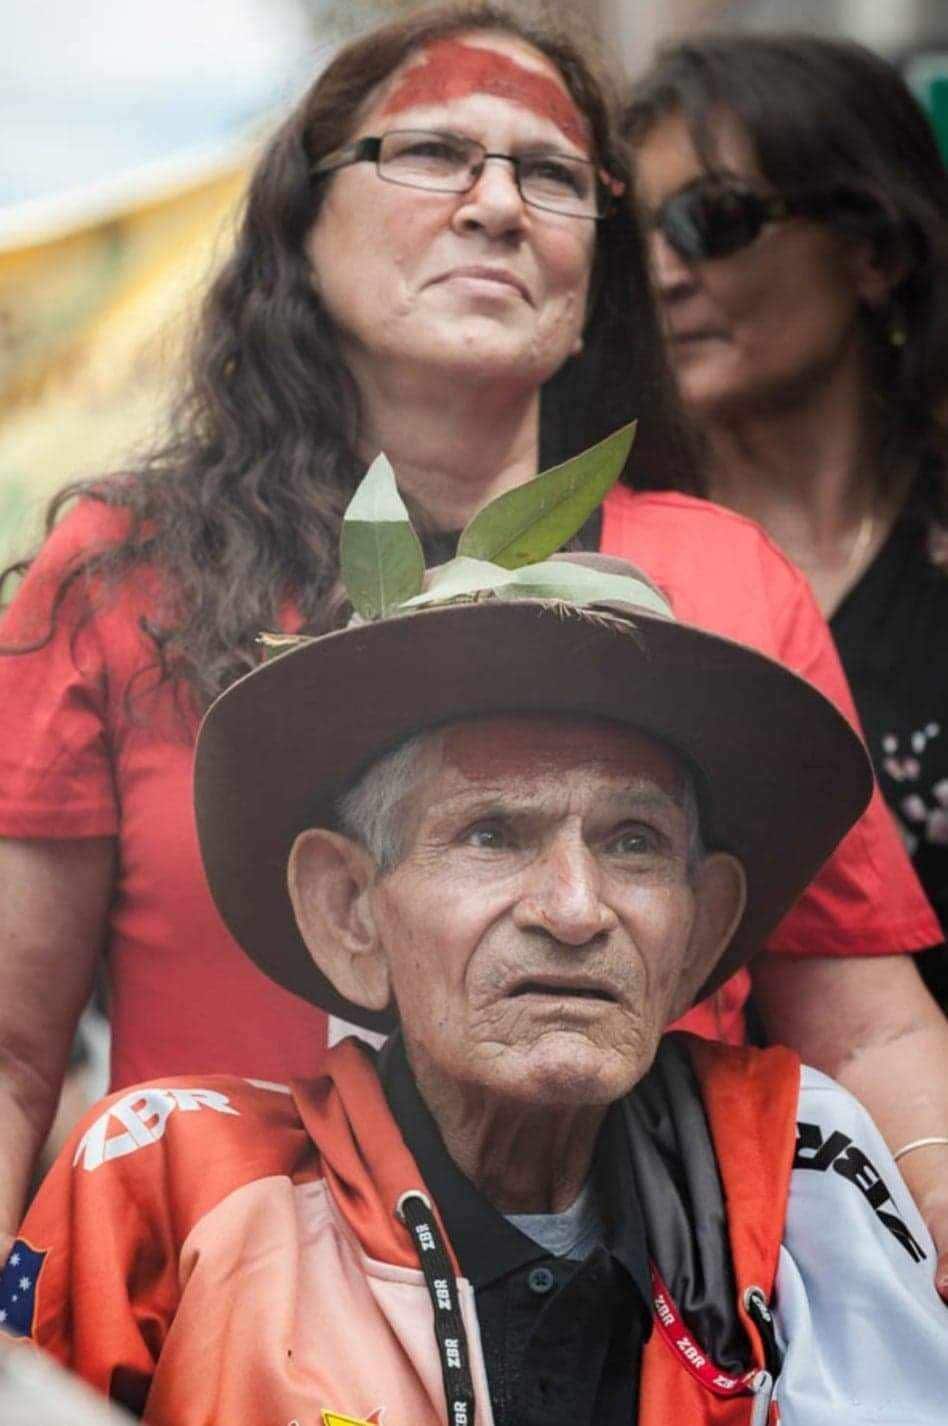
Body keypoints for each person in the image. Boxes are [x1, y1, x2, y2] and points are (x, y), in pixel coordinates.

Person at [0, 1, 942, 1283]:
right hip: (210, 1352)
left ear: (594, 263)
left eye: (551, 174)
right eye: (433, 153)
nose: (498, 204)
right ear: (301, 223)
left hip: (664, 1355)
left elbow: (875, 1043)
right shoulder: (118, 574)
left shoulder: (728, 578)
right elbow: (9, 1053)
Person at [5, 542, 946, 1425]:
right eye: (492, 834)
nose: (576, 910)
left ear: (699, 927)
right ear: (349, 911)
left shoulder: (795, 1168)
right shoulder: (169, 1183)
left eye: (633, 843)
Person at [623, 35, 948, 992]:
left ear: (876, 250)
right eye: (630, 240)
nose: (661, 275)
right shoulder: (599, 558)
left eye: (709, 220)